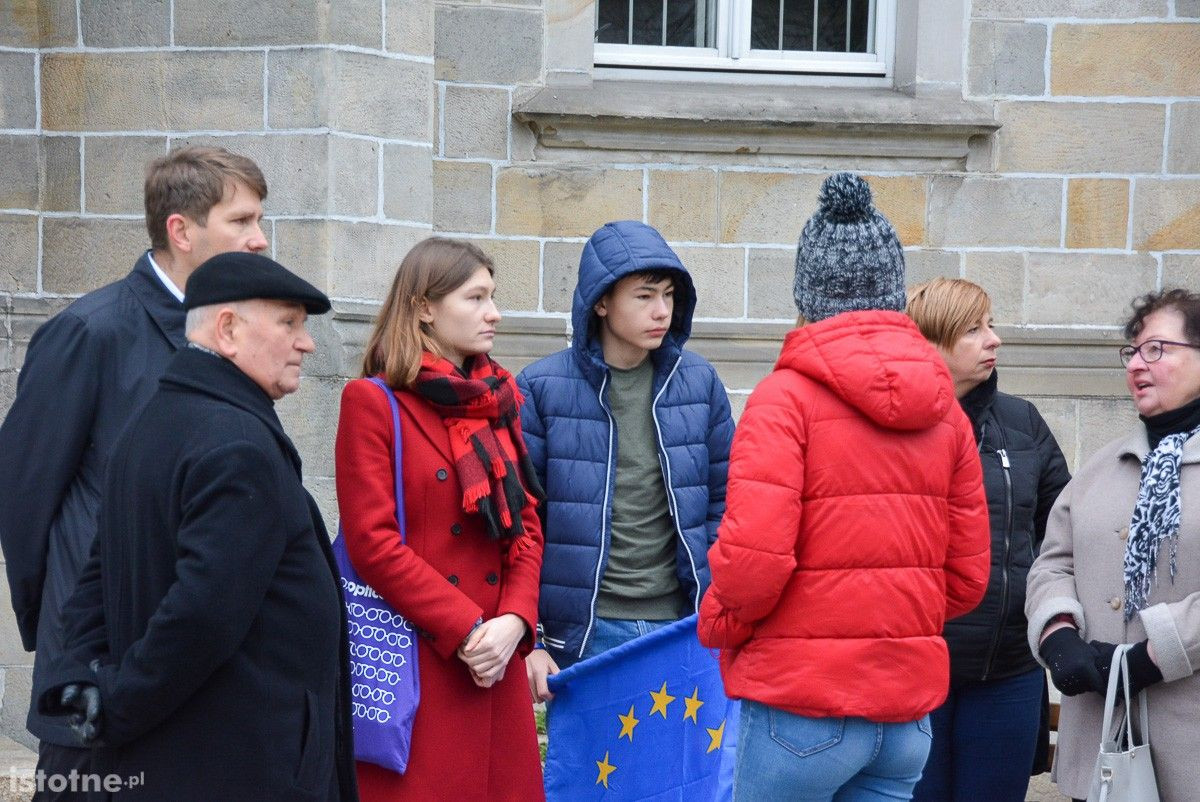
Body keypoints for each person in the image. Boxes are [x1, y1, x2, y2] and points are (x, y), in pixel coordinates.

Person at [697, 173, 991, 801]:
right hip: (904, 713)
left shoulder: (783, 400)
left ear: (807, 294)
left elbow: (752, 565)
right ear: (893, 292)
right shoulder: (946, 411)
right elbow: (967, 580)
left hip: (800, 706)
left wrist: (718, 621)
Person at [37, 252, 357, 801]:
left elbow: (92, 587)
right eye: (289, 323)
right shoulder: (237, 444)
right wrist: (114, 704)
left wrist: (87, 687)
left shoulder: (153, 423)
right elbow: (200, 616)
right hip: (236, 764)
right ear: (228, 329)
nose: (305, 342)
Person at [0, 145, 268, 795]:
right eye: (241, 221)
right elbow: (24, 492)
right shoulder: (90, 331)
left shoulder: (239, 333)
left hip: (196, 660)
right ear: (181, 230)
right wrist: (65, 634)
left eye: (260, 220)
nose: (260, 241)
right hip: (101, 666)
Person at [335, 237, 545, 801]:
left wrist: (516, 623)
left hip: (494, 667)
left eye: (492, 296)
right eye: (475, 298)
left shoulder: (497, 399)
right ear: (424, 306)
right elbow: (371, 542)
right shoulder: (372, 402)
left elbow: (525, 523)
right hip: (422, 663)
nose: (494, 313)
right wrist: (468, 629)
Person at [516, 220, 735, 698]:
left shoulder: (699, 383)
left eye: (670, 296)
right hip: (585, 634)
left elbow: (728, 502)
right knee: (593, 773)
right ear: (601, 301)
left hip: (684, 626)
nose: (661, 311)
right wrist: (528, 637)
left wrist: (716, 597)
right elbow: (521, 523)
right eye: (644, 296)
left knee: (685, 772)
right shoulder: (540, 388)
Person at [1027, 288, 1200, 801]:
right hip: (1103, 750)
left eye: (1156, 350)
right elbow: (1052, 561)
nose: (1136, 366)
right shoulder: (1102, 467)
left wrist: (1150, 655)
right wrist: (1059, 633)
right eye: (1132, 352)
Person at [906, 278, 1070, 802]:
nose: (994, 339)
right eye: (973, 330)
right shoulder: (892, 428)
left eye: (991, 325)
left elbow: (1060, 538)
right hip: (912, 676)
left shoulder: (1022, 424)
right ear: (929, 342)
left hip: (1006, 673)